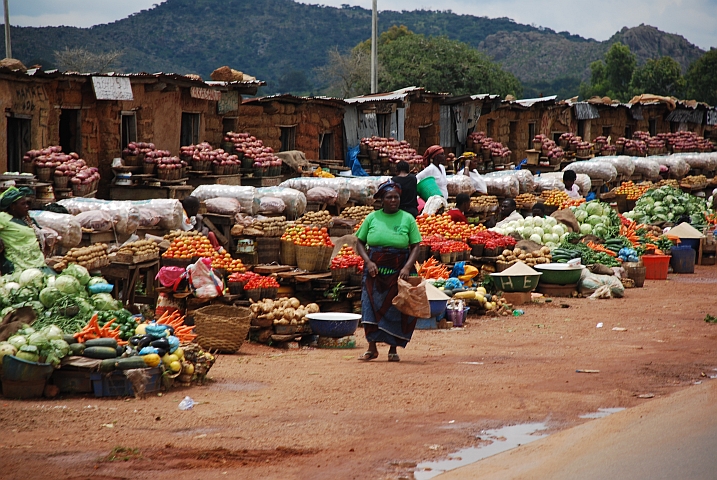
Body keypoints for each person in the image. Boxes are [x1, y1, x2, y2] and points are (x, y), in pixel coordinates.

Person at [355, 181, 422, 362]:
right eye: (389, 197)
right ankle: (371, 348)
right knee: (370, 306)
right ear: (382, 200)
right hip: (374, 270)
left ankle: (393, 349)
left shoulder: (408, 219)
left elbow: (416, 246)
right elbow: (359, 242)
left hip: (399, 269)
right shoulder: (372, 218)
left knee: (397, 308)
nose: (393, 200)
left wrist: (408, 266)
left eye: (396, 197)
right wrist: (368, 262)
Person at [0, 187, 49, 273]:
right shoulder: (3, 217)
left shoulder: (28, 220)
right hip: (18, 265)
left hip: (38, 262)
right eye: (23, 204)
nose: (27, 206)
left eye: (27, 203)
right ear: (13, 206)